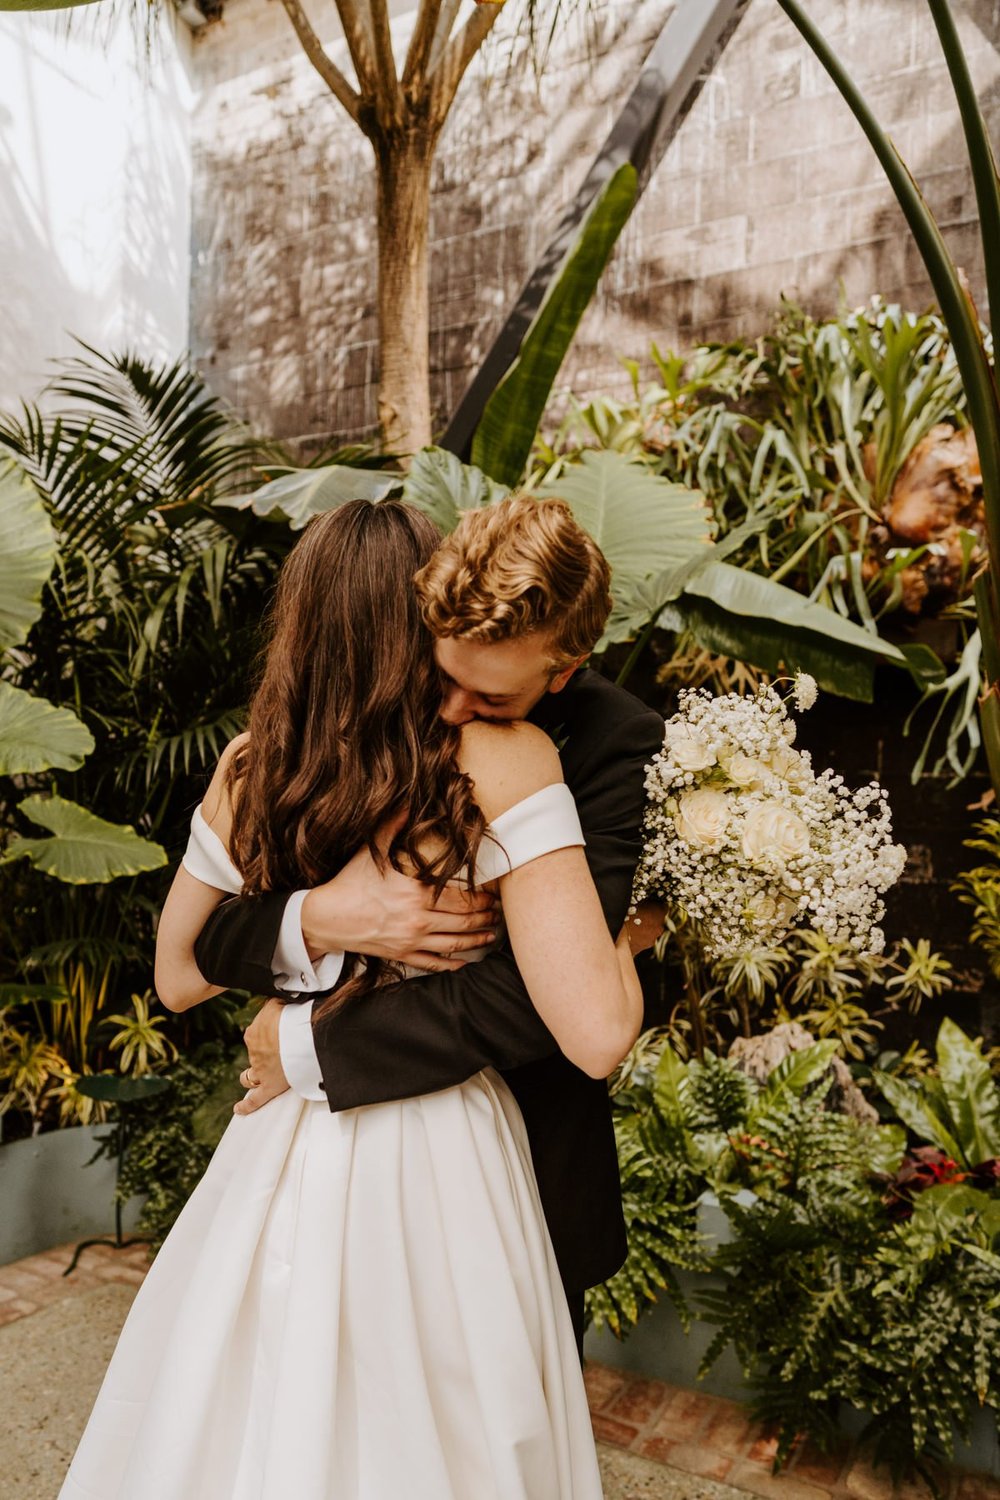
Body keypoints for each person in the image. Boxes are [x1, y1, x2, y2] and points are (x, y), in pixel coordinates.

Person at [60, 498, 644, 1500]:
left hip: (283, 1141)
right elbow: (595, 1032)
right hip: (446, 1149)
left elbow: (174, 972)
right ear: (425, 615)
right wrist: (629, 943)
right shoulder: (506, 760)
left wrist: (300, 989)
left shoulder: (253, 765)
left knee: (253, 1402)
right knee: (454, 1429)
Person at [189, 494, 667, 1355]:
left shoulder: (613, 743)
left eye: (484, 694)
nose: (444, 713)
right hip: (346, 1155)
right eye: (437, 674)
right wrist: (321, 919)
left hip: (524, 1149)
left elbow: (540, 997)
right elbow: (213, 937)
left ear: (563, 669)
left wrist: (305, 1046)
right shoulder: (364, 716)